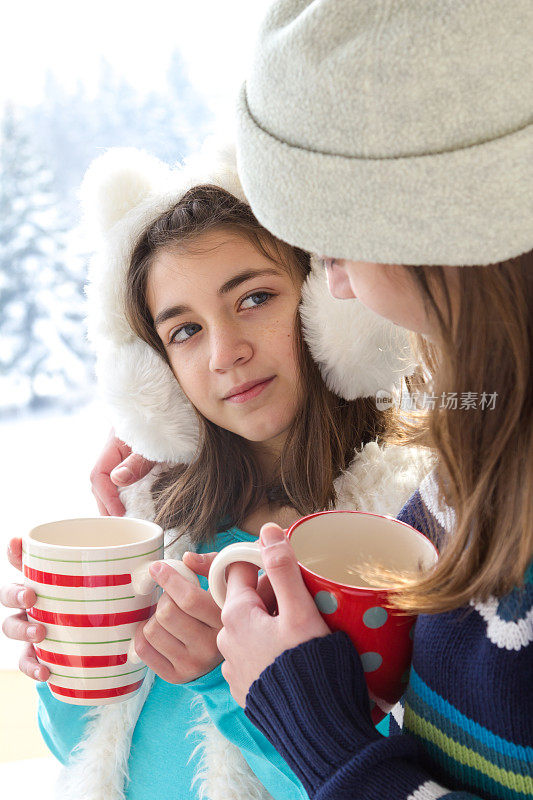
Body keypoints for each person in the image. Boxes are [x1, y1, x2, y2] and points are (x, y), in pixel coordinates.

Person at [1, 143, 428, 800]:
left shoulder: (402, 532)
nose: (225, 352)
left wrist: (223, 677)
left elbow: (371, 783)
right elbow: (89, 755)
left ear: (326, 302)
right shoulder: (158, 521)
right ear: (153, 373)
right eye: (183, 332)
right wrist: (67, 663)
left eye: (254, 297)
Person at [202, 3, 533, 800]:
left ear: (448, 231)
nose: (336, 281)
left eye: (336, 237)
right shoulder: (479, 431)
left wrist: (326, 741)